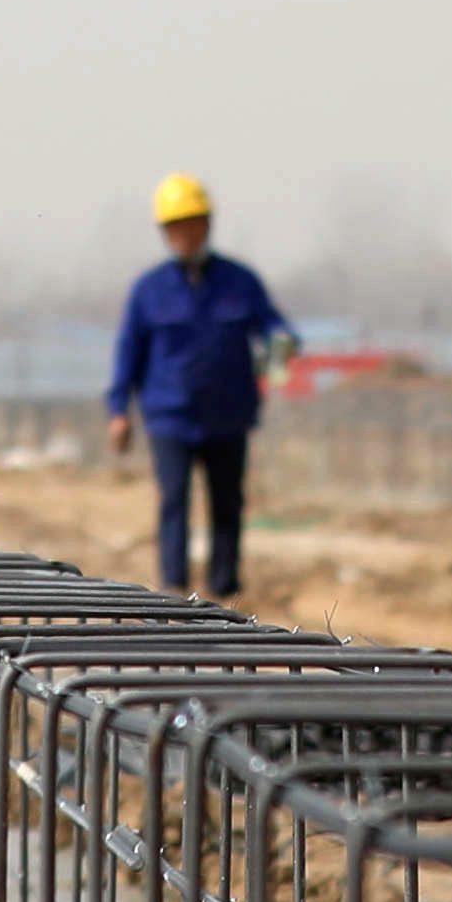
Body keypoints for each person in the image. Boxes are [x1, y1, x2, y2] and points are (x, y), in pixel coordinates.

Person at [103, 174, 295, 599]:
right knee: (174, 503)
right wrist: (119, 412)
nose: (184, 234)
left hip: (229, 417)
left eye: (191, 223)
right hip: (169, 417)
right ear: (165, 233)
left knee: (227, 505)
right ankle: (174, 589)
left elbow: (275, 330)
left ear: (207, 224)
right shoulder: (149, 290)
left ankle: (223, 591)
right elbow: (128, 352)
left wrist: (281, 350)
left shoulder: (240, 282)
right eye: (175, 227)